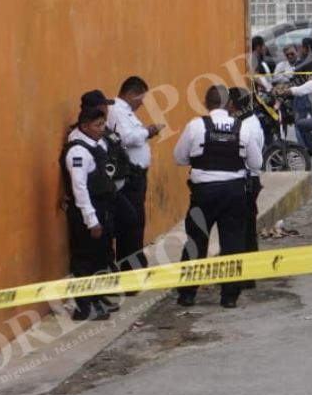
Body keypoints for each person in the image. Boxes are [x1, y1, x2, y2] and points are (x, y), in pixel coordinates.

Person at [172, 85, 263, 308]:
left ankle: (187, 294)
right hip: (234, 192)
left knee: (196, 241)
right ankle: (229, 296)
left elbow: (179, 158)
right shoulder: (243, 128)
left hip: (203, 193)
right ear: (229, 104)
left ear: (206, 102)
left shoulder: (195, 126)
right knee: (232, 242)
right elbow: (256, 164)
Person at [60, 106, 119, 321]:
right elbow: (79, 188)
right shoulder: (78, 151)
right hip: (87, 212)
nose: (101, 129)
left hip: (102, 208)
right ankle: (84, 306)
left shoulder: (96, 144)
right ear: (84, 126)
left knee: (99, 258)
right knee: (84, 259)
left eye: (103, 125)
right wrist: (91, 220)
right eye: (97, 126)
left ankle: (96, 299)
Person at [106, 77, 164, 285]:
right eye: (140, 98)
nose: (141, 103)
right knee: (130, 225)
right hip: (129, 178)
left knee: (136, 223)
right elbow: (127, 138)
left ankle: (135, 268)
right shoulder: (117, 111)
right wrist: (148, 131)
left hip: (137, 176)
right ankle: (130, 272)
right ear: (130, 93)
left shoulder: (126, 112)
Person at [227, 87, 264, 290]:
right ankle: (247, 276)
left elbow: (255, 162)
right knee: (245, 229)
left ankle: (245, 276)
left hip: (248, 181)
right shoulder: (248, 122)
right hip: (248, 180)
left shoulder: (246, 127)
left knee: (243, 230)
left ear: (232, 104)